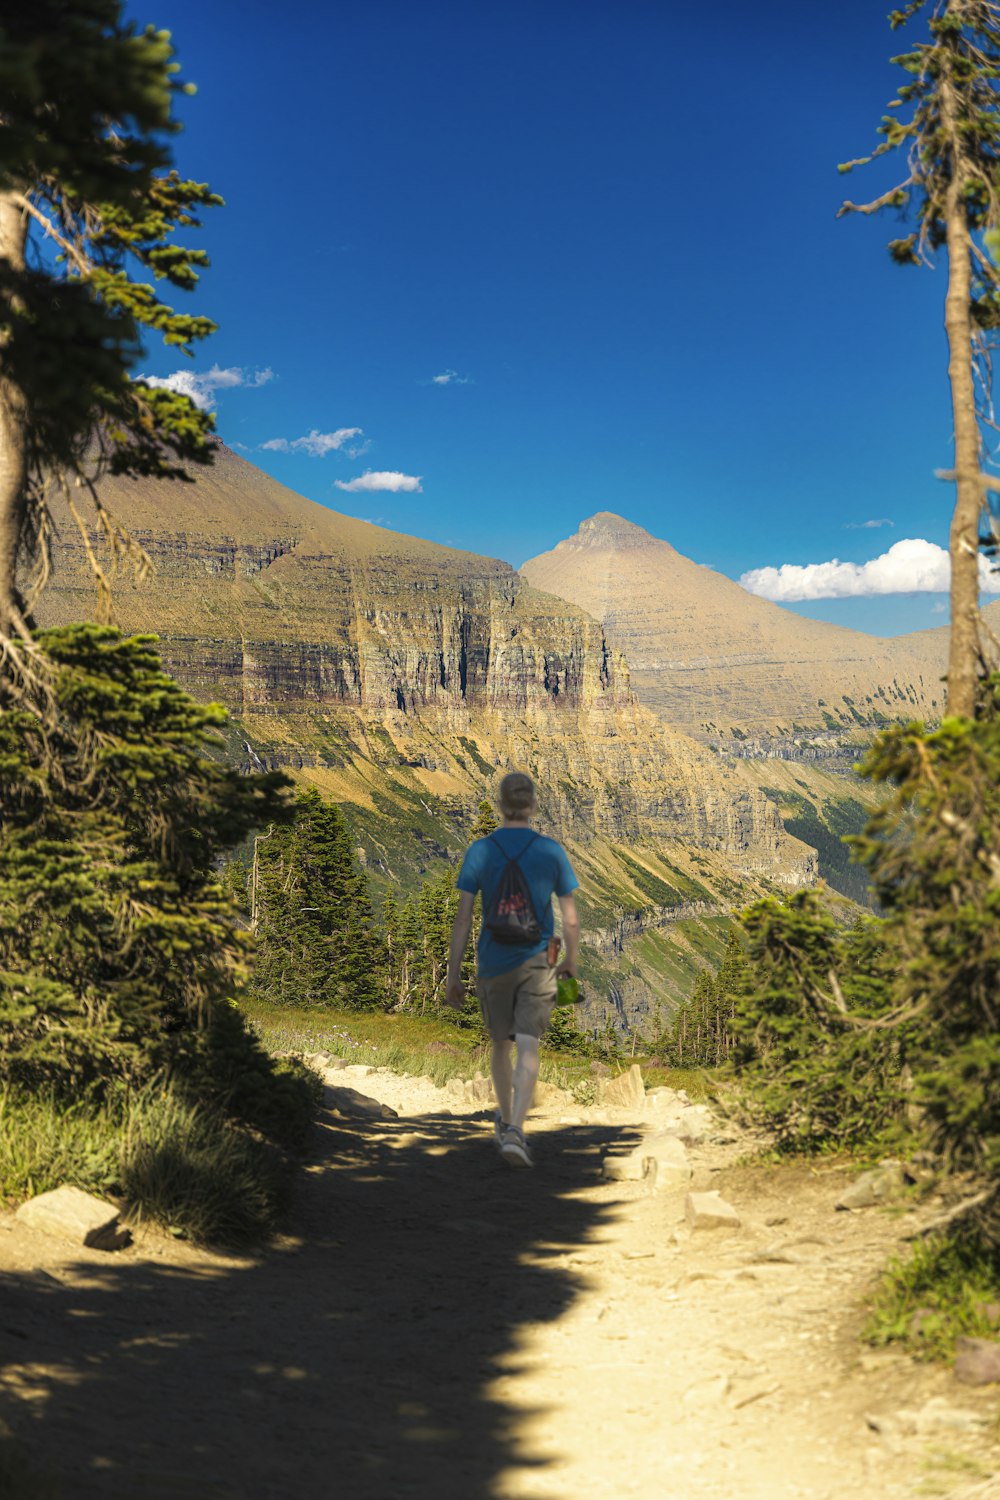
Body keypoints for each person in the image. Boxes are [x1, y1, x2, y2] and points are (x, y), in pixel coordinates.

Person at [445, 771, 579, 1168]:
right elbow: (569, 918)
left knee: (500, 1045)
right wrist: (570, 961)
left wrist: (453, 974)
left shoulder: (480, 851)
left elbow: (463, 918)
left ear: (502, 804)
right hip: (539, 960)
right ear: (532, 805)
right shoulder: (551, 851)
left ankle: (503, 1121)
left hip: (493, 961)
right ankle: (518, 1129)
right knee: (529, 1044)